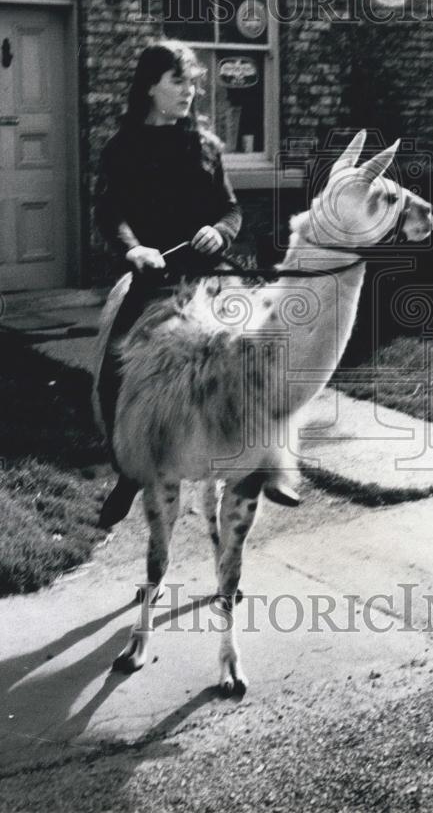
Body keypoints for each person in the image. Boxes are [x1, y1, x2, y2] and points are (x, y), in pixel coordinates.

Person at [94, 40, 299, 528]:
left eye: (192, 83)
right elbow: (109, 212)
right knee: (113, 376)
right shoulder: (122, 147)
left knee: (265, 360)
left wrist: (220, 231)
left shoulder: (206, 145)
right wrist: (134, 249)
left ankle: (271, 465)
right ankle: (129, 471)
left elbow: (230, 209)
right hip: (156, 282)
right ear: (150, 86)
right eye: (178, 81)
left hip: (211, 281)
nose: (189, 91)